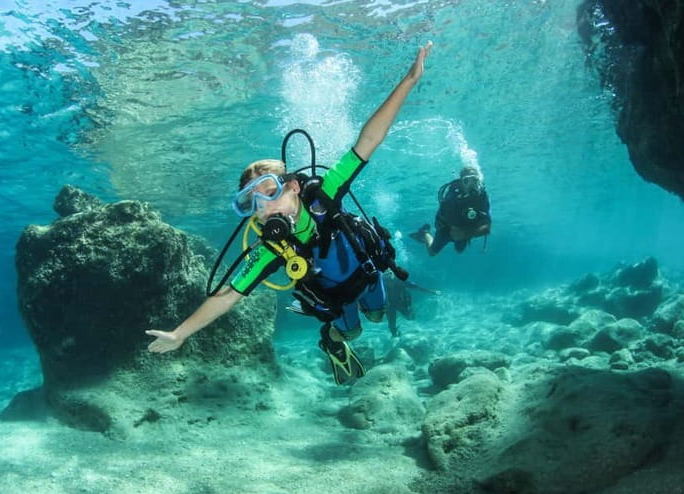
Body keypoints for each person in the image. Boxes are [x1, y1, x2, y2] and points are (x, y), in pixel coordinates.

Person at [147, 41, 433, 385]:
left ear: (294, 186)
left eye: (268, 193)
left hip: (369, 275)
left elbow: (369, 139)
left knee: (377, 315)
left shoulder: (325, 195)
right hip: (335, 299)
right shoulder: (271, 248)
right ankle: (332, 343)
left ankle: (356, 323)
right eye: (251, 203)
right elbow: (227, 297)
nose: (263, 209)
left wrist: (408, 80)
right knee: (352, 333)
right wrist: (180, 334)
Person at [410, 166, 491, 255]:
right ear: (461, 182)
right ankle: (425, 233)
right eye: (467, 181)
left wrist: (470, 232)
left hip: (465, 227)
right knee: (432, 253)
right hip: (446, 228)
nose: (471, 185)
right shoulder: (450, 200)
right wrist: (477, 230)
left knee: (459, 250)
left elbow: (487, 227)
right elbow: (456, 235)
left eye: (475, 180)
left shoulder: (482, 196)